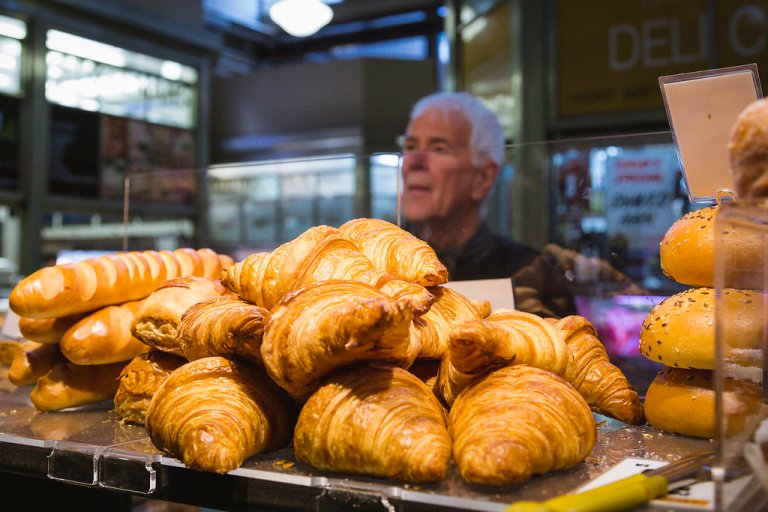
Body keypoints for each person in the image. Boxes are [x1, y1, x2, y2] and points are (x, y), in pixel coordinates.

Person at [399, 91, 580, 317]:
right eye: (410, 146)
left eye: (439, 148)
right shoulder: (373, 265)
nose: (414, 162)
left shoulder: (530, 275)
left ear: (483, 178)